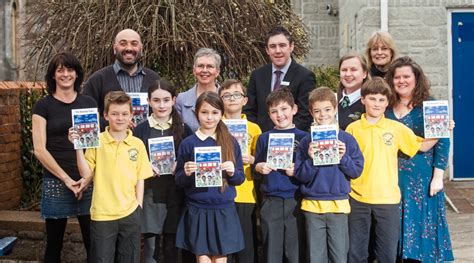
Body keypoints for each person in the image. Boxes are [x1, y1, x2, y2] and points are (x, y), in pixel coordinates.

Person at [345, 78, 439, 263]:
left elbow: (422, 147)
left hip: (388, 199)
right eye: (372, 99)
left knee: (387, 253)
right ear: (363, 100)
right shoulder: (352, 129)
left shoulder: (396, 128)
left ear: (387, 102)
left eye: (381, 100)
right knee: (356, 252)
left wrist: (442, 130)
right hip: (357, 198)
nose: (377, 104)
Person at [69, 91, 153, 262]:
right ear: (106, 115)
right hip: (102, 215)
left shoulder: (137, 144)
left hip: (130, 213)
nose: (120, 118)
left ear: (131, 115)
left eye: (124, 114)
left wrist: (139, 207)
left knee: (129, 258)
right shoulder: (96, 141)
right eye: (114, 114)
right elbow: (85, 174)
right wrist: (78, 146)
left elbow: (140, 179)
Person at [385, 56, 454, 262]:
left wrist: (438, 176)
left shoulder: (429, 105)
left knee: (422, 224)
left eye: (406, 76)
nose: (401, 81)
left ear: (416, 79)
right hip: (391, 176)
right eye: (397, 77)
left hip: (422, 178)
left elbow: (442, 141)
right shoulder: (385, 106)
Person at [32, 51, 96, 263]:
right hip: (57, 182)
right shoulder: (43, 106)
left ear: (77, 75)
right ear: (53, 75)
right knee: (54, 245)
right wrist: (66, 179)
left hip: (87, 182)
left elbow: (95, 147)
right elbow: (40, 149)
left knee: (93, 243)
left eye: (70, 70)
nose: (65, 74)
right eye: (60, 70)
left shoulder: (88, 103)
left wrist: (88, 178)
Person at [294, 87, 364, 263]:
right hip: (312, 206)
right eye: (317, 111)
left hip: (338, 205)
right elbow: (300, 175)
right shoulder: (306, 142)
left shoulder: (346, 139)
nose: (322, 115)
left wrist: (343, 157)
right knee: (316, 256)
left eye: (327, 110)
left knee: (339, 255)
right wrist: (310, 159)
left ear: (335, 110)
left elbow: (356, 171)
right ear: (311, 112)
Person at [175, 91, 245, 263]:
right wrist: (186, 172)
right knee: (203, 259)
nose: (209, 117)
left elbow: (240, 178)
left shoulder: (230, 141)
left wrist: (231, 171)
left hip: (223, 208)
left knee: (221, 259)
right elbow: (179, 180)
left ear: (222, 114)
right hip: (198, 208)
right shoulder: (188, 143)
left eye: (215, 113)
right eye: (204, 112)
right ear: (196, 113)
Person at [133, 79, 193, 263]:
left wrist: (181, 163)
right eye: (156, 100)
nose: (161, 105)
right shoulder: (140, 130)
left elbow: (192, 157)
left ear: (174, 100)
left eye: (166, 100)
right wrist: (145, 165)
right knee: (150, 247)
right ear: (149, 101)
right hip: (150, 194)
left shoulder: (184, 129)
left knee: (171, 245)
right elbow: (131, 160)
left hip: (175, 194)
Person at [254, 88, 308, 263]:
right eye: (274, 111)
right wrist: (259, 167)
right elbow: (257, 164)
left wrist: (298, 170)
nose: (280, 115)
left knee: (295, 252)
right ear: (269, 114)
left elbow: (310, 169)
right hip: (271, 201)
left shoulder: (305, 138)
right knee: (272, 252)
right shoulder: (264, 138)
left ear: (294, 109)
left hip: (296, 200)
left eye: (284, 109)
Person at [219, 79, 262, 263]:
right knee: (224, 244)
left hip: (246, 192)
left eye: (236, 95)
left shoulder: (254, 128)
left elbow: (261, 161)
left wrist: (252, 160)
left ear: (244, 100)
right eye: (226, 96)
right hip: (222, 193)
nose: (232, 99)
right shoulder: (215, 126)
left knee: (246, 243)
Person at [83, 28, 159, 129]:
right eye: (123, 43)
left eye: (134, 44)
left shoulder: (154, 79)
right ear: (115, 48)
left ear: (141, 48)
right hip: (110, 143)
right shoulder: (97, 80)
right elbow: (86, 116)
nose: (129, 48)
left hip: (146, 142)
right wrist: (115, 124)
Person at [244, 26, 316, 132]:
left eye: (282, 45)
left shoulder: (305, 76)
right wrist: (259, 135)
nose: (277, 51)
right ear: (267, 50)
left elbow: (305, 115)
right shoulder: (257, 75)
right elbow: (249, 111)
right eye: (273, 46)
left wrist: (283, 134)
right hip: (261, 139)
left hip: (292, 141)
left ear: (291, 47)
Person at [176, 48, 221, 131]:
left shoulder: (226, 98)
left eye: (209, 66)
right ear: (194, 70)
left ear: (217, 72)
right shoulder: (181, 100)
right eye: (200, 66)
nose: (204, 70)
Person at [337, 52, 370, 130]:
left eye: (353, 70)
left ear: (364, 74)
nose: (348, 74)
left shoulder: (370, 103)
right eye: (344, 70)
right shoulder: (332, 100)